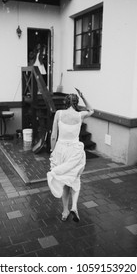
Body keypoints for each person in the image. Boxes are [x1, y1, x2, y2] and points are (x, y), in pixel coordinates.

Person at [46, 89, 94, 222]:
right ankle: (74, 207)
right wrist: (83, 95)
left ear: (65, 102)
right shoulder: (80, 115)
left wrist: (52, 150)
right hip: (75, 151)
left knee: (64, 181)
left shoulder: (59, 114)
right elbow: (92, 110)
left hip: (61, 150)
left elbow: (54, 135)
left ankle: (65, 210)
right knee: (74, 179)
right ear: (76, 102)